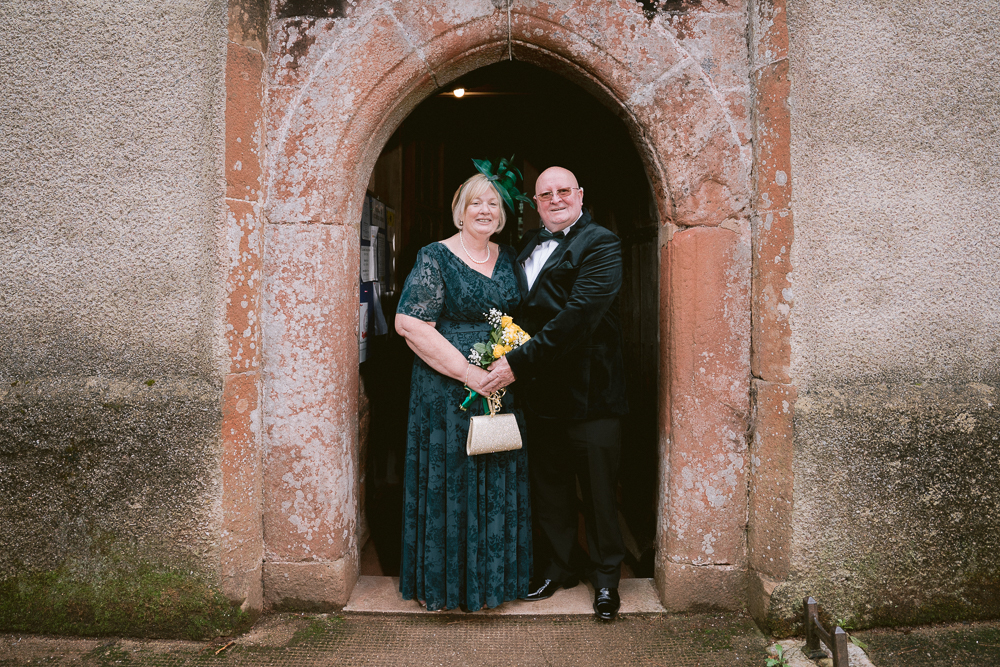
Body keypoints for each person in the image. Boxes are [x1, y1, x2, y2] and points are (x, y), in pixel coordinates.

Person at [481, 166, 628, 621]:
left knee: (601, 495)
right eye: (546, 194)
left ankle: (606, 582)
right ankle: (558, 567)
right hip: (540, 397)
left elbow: (577, 317)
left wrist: (515, 364)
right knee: (551, 491)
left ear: (580, 195)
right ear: (535, 202)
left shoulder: (601, 243)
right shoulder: (523, 247)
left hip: (592, 396)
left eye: (564, 191)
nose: (556, 198)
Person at [394, 169, 532, 612]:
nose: (486, 210)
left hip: (502, 385)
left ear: (502, 214)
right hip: (448, 392)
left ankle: (495, 584)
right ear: (460, 210)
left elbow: (525, 318)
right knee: (452, 477)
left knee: (496, 474)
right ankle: (448, 587)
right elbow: (410, 324)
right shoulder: (434, 257)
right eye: (476, 202)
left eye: (494, 203)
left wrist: (513, 361)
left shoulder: (509, 256)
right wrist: (470, 374)